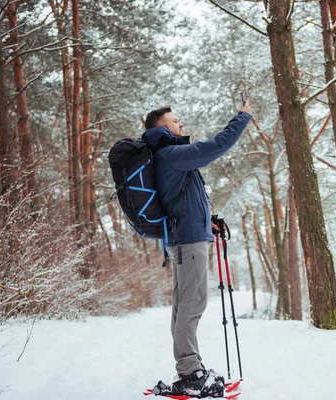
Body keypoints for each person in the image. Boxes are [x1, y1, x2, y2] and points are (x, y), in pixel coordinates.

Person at [142, 101, 252, 397]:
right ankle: (190, 373)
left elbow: (184, 199)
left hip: (186, 238)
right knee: (193, 304)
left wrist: (208, 224)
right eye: (176, 121)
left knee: (184, 306)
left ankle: (192, 368)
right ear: (162, 128)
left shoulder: (165, 157)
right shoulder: (171, 154)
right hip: (188, 242)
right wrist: (242, 118)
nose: (182, 125)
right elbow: (216, 146)